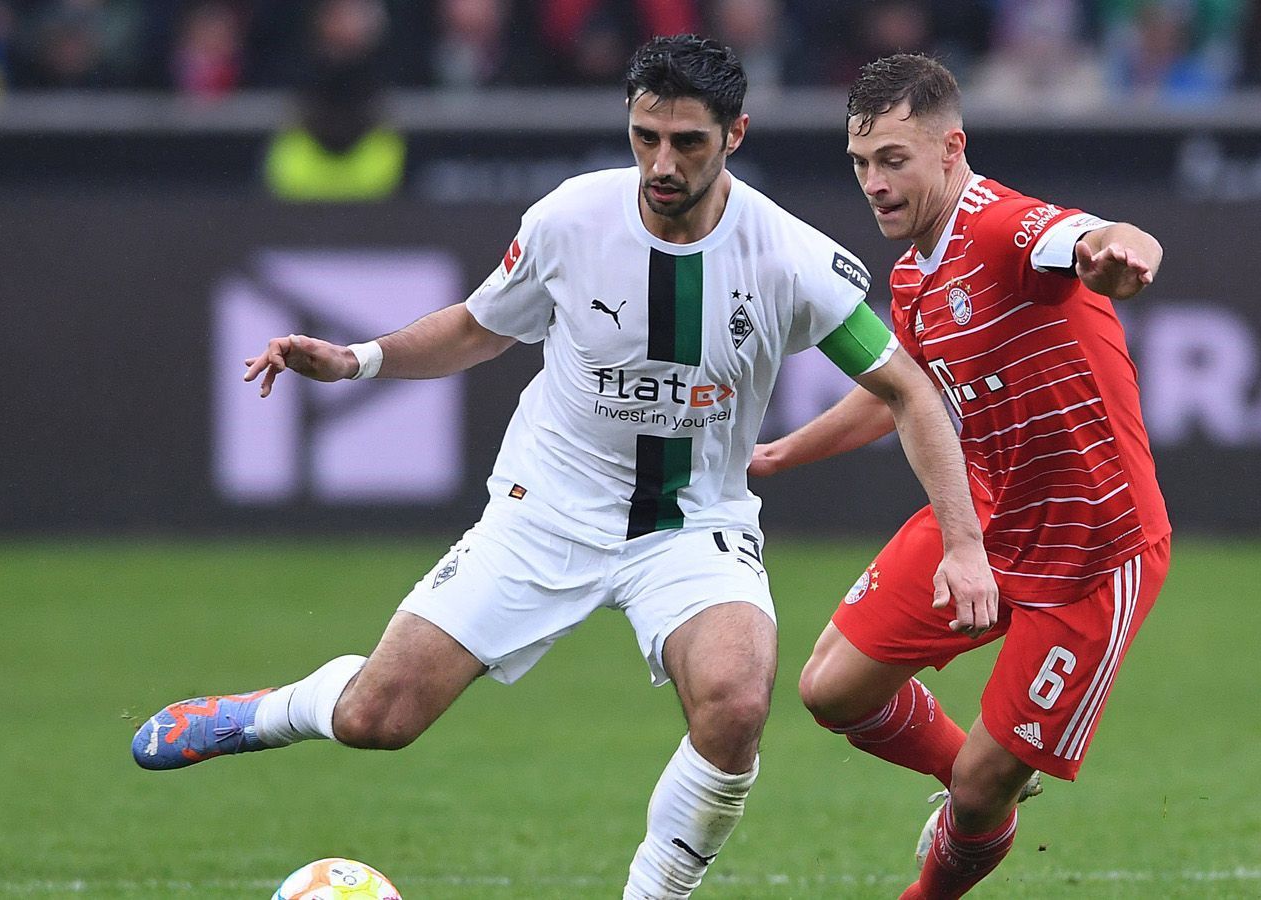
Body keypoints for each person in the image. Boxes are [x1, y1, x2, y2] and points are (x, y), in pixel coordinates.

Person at [130, 36, 996, 899]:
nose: (661, 161)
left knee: (735, 703)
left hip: (691, 525)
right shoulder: (571, 218)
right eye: (644, 136)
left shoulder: (792, 259)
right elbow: (479, 327)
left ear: (735, 134)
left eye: (687, 142)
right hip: (544, 508)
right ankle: (264, 714)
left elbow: (908, 391)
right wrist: (356, 360)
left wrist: (962, 545)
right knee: (375, 719)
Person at [751, 53, 1171, 899]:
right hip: (986, 519)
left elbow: (1089, 240)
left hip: (1093, 550)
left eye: (894, 160)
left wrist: (1119, 248)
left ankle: (964, 827)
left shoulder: (998, 227)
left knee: (980, 794)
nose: (874, 183)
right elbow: (903, 393)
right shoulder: (912, 272)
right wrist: (780, 452)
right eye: (861, 163)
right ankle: (983, 783)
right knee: (831, 689)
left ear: (952, 148)